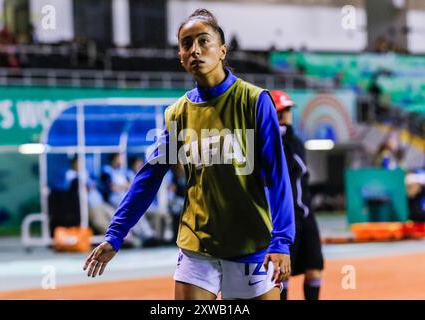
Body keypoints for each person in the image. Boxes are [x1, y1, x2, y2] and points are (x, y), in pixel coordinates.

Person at [83, 9, 295, 300]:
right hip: (197, 247)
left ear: (222, 51)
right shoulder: (178, 114)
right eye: (186, 44)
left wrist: (281, 242)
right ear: (181, 57)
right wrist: (115, 234)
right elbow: (149, 177)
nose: (194, 50)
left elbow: (277, 177)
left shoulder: (255, 101)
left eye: (203, 41)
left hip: (251, 245)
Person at [270, 90, 324, 300]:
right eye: (281, 110)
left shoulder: (297, 142)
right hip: (283, 218)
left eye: (288, 110)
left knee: (314, 268)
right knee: (283, 273)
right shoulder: (269, 142)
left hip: (306, 214)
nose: (285, 115)